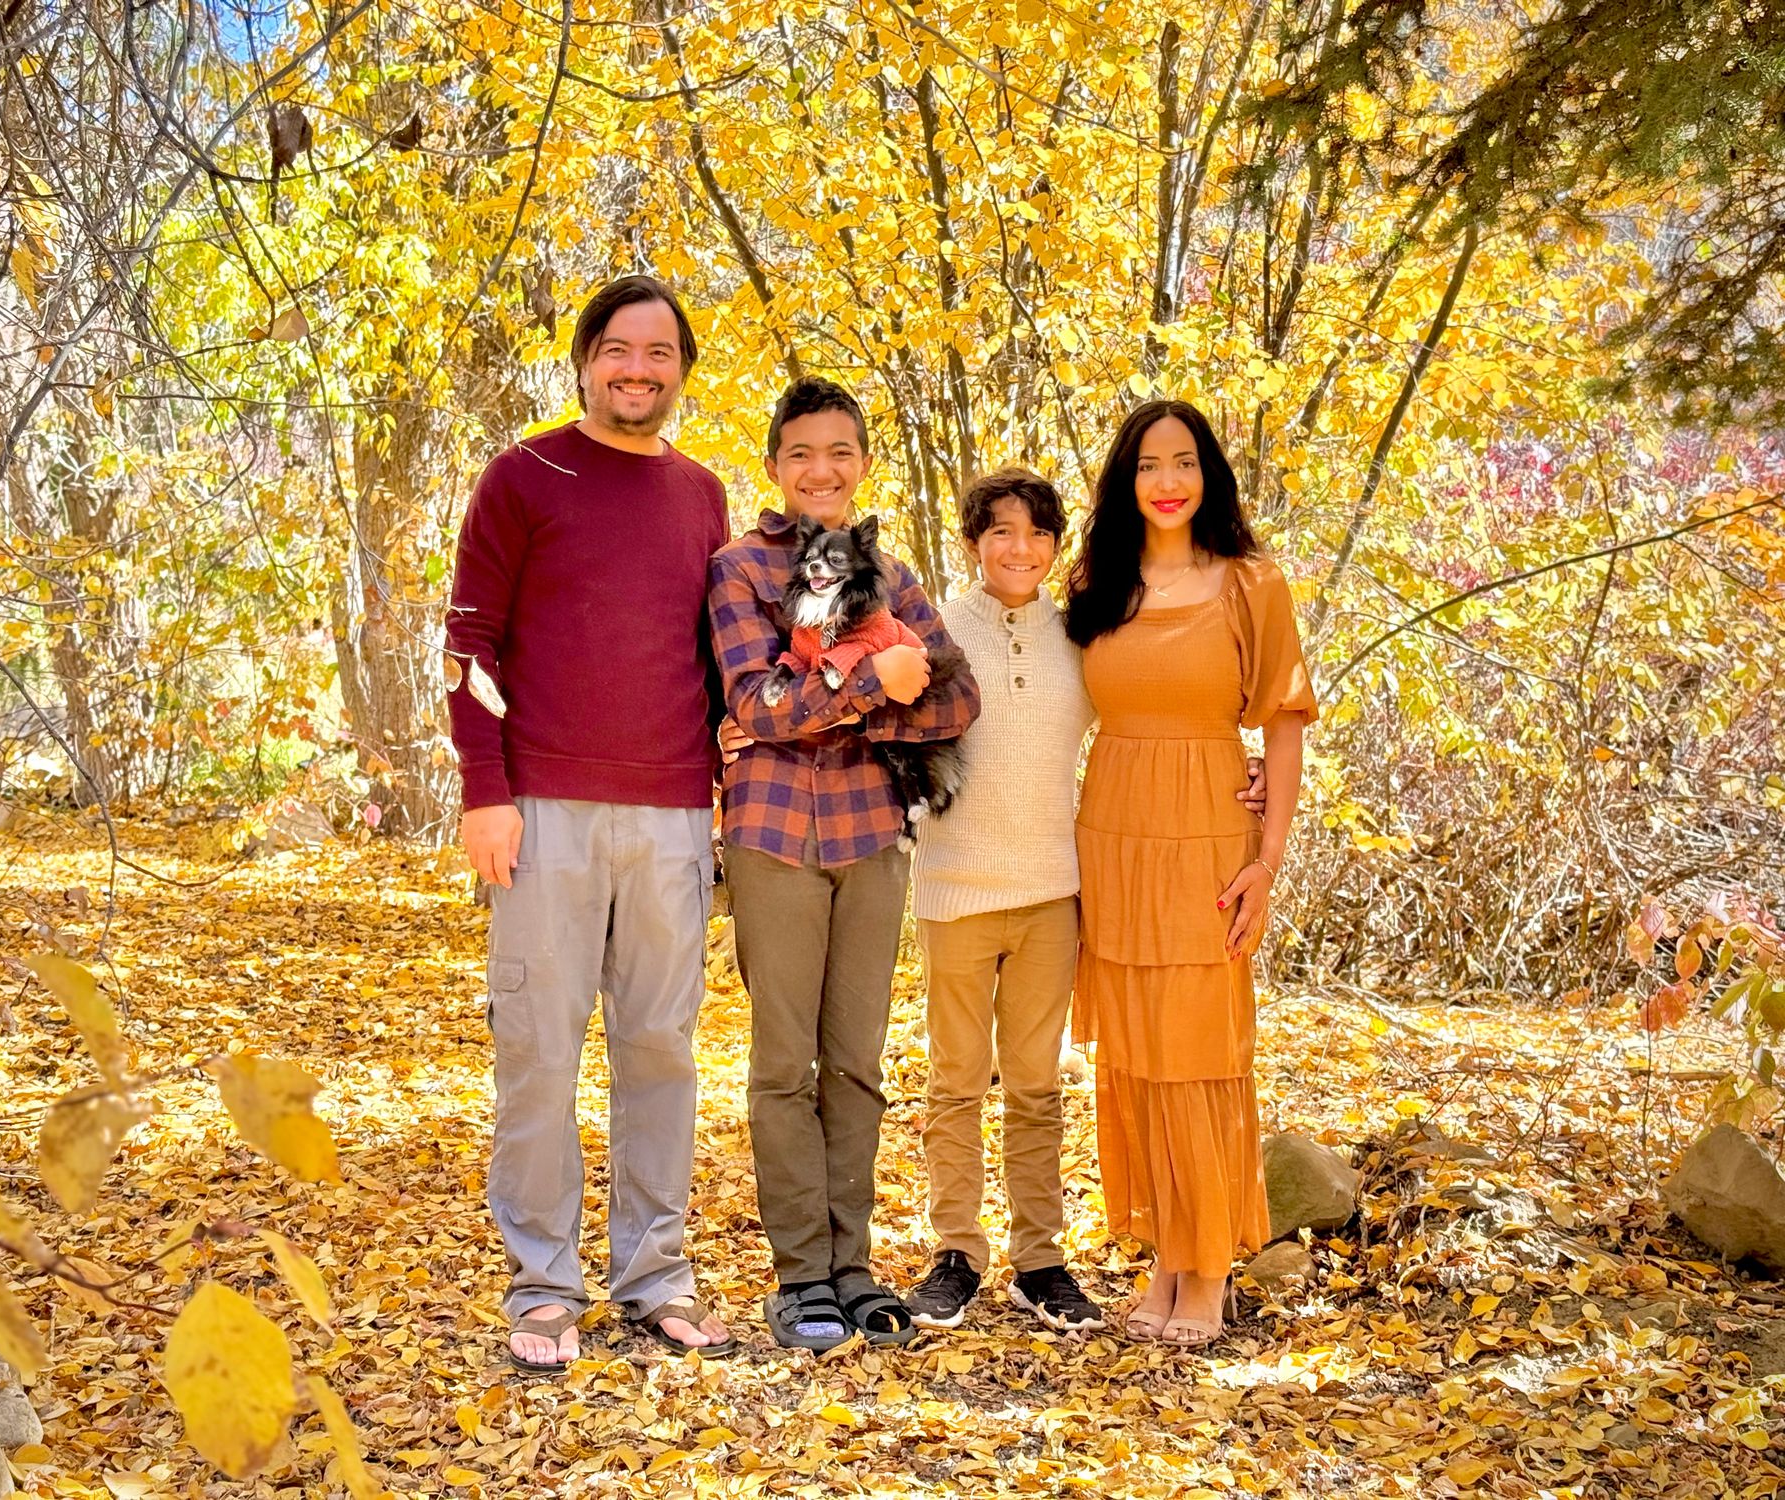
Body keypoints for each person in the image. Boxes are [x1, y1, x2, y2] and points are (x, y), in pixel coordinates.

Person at [447, 275, 736, 1374]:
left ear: (681, 371)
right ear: (584, 361)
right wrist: (485, 790)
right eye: (618, 349)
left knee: (661, 1052)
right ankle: (542, 1288)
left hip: (673, 817)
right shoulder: (523, 475)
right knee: (538, 1057)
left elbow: (714, 661)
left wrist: (723, 797)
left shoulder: (701, 496)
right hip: (543, 815)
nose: (637, 369)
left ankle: (655, 1277)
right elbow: (470, 644)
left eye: (659, 353)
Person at [903, 469, 1267, 1334]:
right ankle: (956, 1253)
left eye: (1037, 533)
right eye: (1000, 531)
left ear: (1057, 546)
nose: (1018, 548)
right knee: (957, 1080)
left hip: (1053, 893)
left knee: (1035, 1085)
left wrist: (1242, 766)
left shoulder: (1081, 635)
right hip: (954, 890)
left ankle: (1039, 1260)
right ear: (971, 542)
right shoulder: (937, 630)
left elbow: (1151, 713)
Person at [708, 377, 981, 1350]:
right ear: (774, 466)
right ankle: (800, 1278)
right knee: (785, 1063)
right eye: (801, 454)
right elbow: (755, 704)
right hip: (773, 834)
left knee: (857, 1064)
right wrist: (873, 682)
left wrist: (825, 697)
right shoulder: (740, 568)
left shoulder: (891, 575)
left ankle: (854, 1269)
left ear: (863, 463)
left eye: (839, 452)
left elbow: (954, 701)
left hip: (870, 836)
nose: (820, 470)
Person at [1065, 399, 1316, 1347]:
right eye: (1146, 466)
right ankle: (1168, 1257)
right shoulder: (1099, 582)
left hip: (1209, 832)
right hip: (1112, 831)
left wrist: (1268, 861)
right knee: (1138, 1054)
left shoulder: (1251, 582)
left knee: (1201, 1049)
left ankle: (1208, 1267)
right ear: (1124, 483)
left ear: (1208, 474)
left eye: (1183, 462)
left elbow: (1284, 724)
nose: (1166, 482)